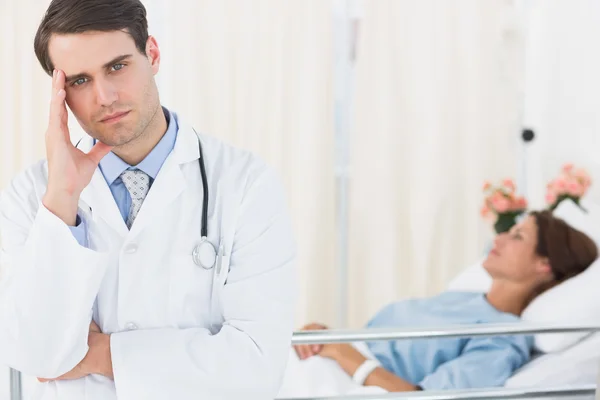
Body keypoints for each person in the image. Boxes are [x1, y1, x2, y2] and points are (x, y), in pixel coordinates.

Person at [0, 1, 296, 399]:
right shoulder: (32, 196)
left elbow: (259, 366)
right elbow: (36, 353)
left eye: (117, 67)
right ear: (60, 93)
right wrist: (63, 197)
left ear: (152, 54)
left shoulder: (246, 184)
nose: (104, 96)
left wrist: (101, 354)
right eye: (80, 81)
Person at [287, 211, 598, 395]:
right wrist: (326, 337)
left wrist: (346, 355)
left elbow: (428, 399)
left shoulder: (503, 337)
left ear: (544, 264)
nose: (498, 239)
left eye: (517, 237)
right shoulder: (461, 299)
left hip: (340, 380)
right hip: (321, 362)